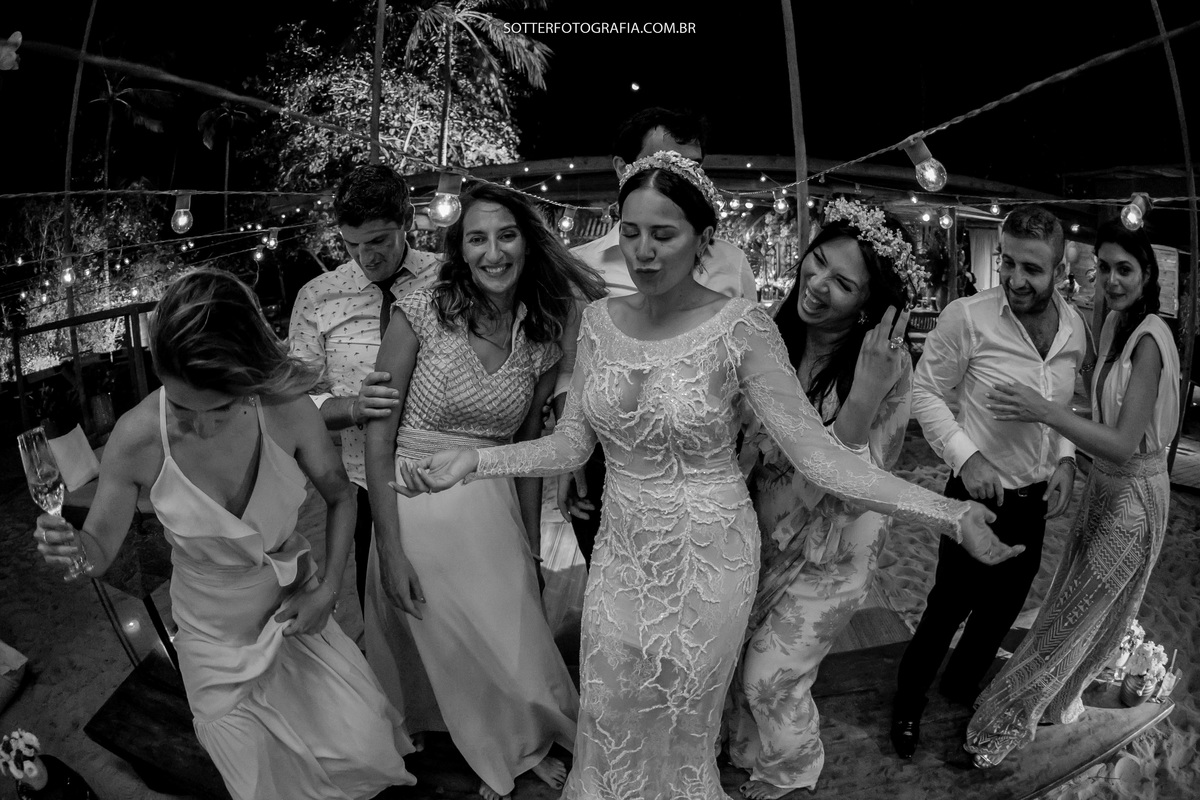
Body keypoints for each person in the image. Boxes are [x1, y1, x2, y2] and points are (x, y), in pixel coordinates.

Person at [389, 152, 1021, 800]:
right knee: (609, 717)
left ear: (703, 237)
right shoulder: (599, 323)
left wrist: (949, 513)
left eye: (663, 234)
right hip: (621, 556)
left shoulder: (742, 328)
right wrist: (477, 462)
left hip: (708, 561)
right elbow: (572, 445)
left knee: (681, 731)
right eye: (631, 232)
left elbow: (821, 457)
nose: (643, 252)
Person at [35, 269, 414, 800]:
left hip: (292, 613)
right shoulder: (136, 436)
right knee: (261, 784)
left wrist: (328, 589)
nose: (201, 425)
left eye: (219, 407)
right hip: (211, 640)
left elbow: (341, 496)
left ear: (250, 380)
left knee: (357, 752)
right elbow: (97, 551)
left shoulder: (287, 411)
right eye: (181, 407)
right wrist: (74, 550)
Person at [364, 184, 604, 800]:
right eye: (477, 239)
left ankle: (529, 733)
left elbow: (526, 449)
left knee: (519, 632)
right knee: (467, 637)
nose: (492, 253)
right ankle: (506, 747)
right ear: (460, 249)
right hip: (415, 496)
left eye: (506, 236)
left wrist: (531, 547)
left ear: (527, 242)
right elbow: (378, 435)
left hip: (494, 498)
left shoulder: (542, 334)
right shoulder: (420, 311)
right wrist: (389, 548)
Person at [726, 199, 922, 798]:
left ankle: (794, 769)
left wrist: (863, 395)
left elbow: (857, 480)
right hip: (764, 521)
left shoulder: (886, 364)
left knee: (771, 672)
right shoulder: (774, 332)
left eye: (842, 283)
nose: (816, 284)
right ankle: (749, 749)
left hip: (832, 543)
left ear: (869, 304)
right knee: (741, 651)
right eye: (817, 263)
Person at [965, 220, 1178, 767]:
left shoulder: (1150, 339)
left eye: (1124, 269)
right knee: (1068, 601)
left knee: (1082, 612)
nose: (1111, 280)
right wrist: (1063, 453)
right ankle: (1055, 698)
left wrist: (1044, 412)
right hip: (1102, 485)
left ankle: (1010, 715)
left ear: (1147, 273)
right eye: (1103, 268)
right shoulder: (1112, 327)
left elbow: (1124, 443)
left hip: (1133, 495)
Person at [891, 205, 1089, 759]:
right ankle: (907, 704)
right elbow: (925, 392)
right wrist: (967, 458)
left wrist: (1067, 459)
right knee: (946, 609)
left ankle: (960, 686)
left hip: (1035, 501)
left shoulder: (1074, 327)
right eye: (1008, 263)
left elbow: (1064, 405)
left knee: (1001, 611)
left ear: (1060, 271)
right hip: (976, 495)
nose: (1016, 279)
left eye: (1033, 269)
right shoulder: (968, 317)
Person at [559, 107, 758, 566]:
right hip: (608, 462)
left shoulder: (731, 263)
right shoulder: (583, 267)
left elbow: (751, 374)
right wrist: (571, 453)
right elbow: (570, 366)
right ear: (621, 169)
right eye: (665, 163)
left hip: (705, 471)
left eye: (693, 166)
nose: (680, 178)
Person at [288, 163, 441, 612]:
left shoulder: (450, 278)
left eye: (378, 241)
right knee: (387, 615)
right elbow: (293, 402)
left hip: (449, 474)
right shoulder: (317, 297)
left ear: (407, 220)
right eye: (351, 244)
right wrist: (352, 407)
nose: (365, 257)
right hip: (365, 488)